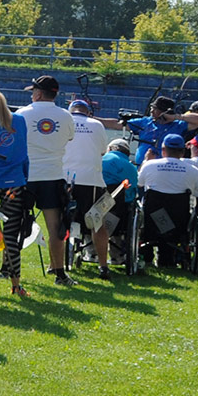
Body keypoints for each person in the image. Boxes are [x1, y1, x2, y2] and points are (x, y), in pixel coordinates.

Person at [12, 76, 77, 285]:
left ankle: (7, 268)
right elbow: (69, 138)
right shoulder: (66, 116)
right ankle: (59, 272)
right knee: (56, 227)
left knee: (15, 223)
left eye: (33, 92)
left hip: (27, 176)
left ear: (38, 94)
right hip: (53, 175)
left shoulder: (22, 113)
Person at [62, 98, 126, 275]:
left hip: (65, 178)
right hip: (91, 180)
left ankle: (56, 264)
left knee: (59, 221)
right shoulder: (96, 125)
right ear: (88, 112)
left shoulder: (64, 122)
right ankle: (103, 265)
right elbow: (103, 151)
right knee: (97, 223)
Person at [0, 88, 32, 299]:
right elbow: (24, 152)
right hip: (15, 183)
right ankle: (16, 284)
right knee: (11, 235)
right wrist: (25, 178)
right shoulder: (19, 120)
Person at [137, 134, 198, 266]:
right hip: (179, 219)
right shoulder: (192, 170)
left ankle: (147, 255)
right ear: (182, 152)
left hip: (152, 217)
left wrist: (145, 161)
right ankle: (168, 257)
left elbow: (138, 183)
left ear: (163, 150)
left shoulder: (149, 165)